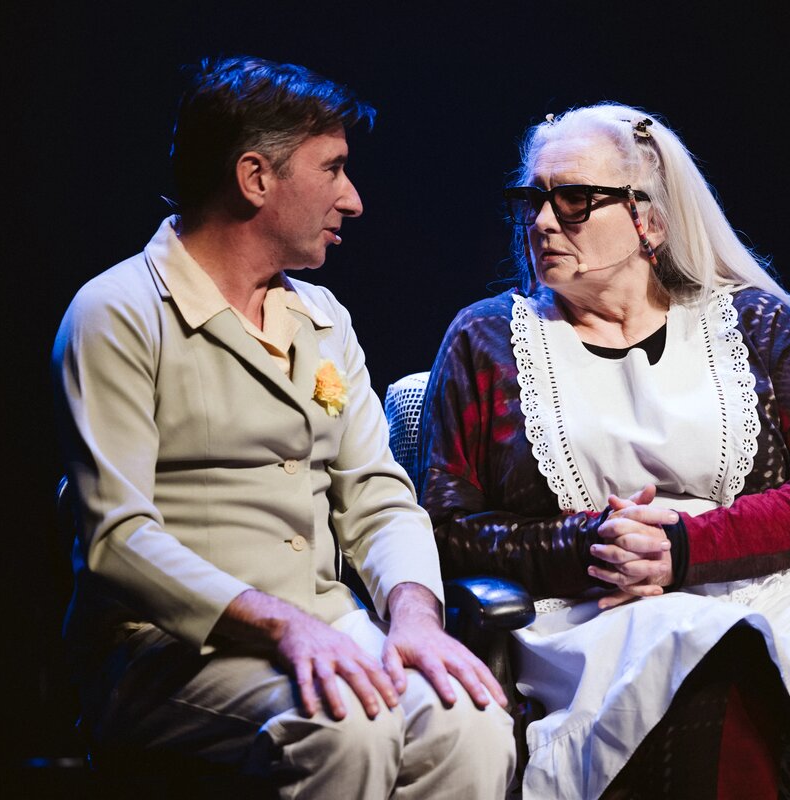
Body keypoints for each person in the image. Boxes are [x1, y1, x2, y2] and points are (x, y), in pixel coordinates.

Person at [416, 103, 790, 799]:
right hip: (599, 614)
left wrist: (686, 547)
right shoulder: (487, 340)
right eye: (533, 200)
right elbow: (447, 528)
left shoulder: (752, 322)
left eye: (573, 199)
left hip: (778, 589)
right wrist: (592, 545)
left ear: (648, 220)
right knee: (712, 671)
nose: (542, 221)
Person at [51, 55, 515, 798]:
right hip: (168, 649)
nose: (352, 199)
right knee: (344, 727)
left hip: (328, 623)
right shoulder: (120, 312)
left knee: (470, 720)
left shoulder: (322, 318)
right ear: (255, 178)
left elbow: (377, 496)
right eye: (332, 169)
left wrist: (414, 617)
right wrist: (279, 624)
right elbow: (117, 537)